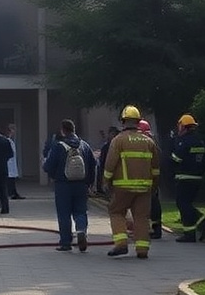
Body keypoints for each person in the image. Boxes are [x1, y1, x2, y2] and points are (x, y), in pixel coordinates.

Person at [103, 105, 160, 259]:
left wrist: (105, 182)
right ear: (138, 121)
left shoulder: (118, 140)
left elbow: (110, 164)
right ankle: (142, 250)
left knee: (116, 211)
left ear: (123, 121)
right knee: (142, 217)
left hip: (122, 186)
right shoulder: (149, 142)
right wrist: (154, 186)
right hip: (145, 188)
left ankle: (121, 244)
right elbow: (156, 168)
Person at [42, 118, 96, 252]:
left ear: (63, 131)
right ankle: (81, 231)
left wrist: (53, 175)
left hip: (63, 185)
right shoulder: (84, 146)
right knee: (80, 211)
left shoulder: (59, 146)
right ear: (74, 130)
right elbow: (92, 165)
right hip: (81, 184)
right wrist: (89, 183)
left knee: (64, 213)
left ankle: (66, 243)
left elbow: (48, 167)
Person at [171, 113, 205, 243]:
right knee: (187, 204)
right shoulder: (200, 141)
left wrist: (171, 154)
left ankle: (201, 224)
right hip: (197, 178)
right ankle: (191, 233)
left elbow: (176, 159)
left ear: (183, 126)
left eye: (180, 126)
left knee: (182, 204)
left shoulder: (184, 141)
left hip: (184, 177)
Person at [137, 119, 164, 239]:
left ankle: (153, 229)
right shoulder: (152, 143)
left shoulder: (145, 143)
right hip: (150, 179)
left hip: (146, 179)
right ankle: (154, 228)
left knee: (149, 204)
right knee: (152, 203)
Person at [96, 126, 120, 196]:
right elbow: (102, 165)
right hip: (111, 178)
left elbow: (102, 164)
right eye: (112, 134)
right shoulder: (107, 147)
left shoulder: (110, 146)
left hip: (114, 177)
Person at [4, 123, 24, 200]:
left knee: (12, 178)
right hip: (9, 162)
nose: (15, 131)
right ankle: (11, 193)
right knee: (10, 178)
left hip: (11, 162)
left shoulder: (11, 140)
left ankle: (13, 192)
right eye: (13, 129)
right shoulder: (7, 140)